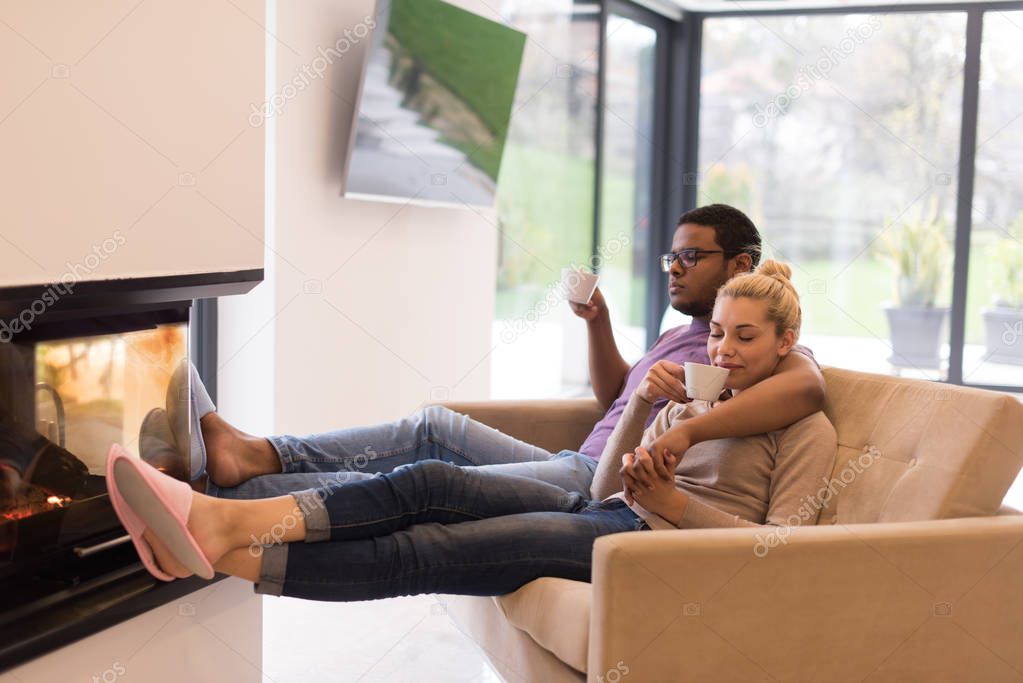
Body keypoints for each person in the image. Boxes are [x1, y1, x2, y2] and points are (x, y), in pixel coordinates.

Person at [107, 260, 838, 601]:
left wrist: (676, 508)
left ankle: (221, 539)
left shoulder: (803, 427)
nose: (723, 351)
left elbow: (783, 551)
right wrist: (646, 410)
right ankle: (218, 524)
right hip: (604, 508)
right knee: (428, 479)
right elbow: (605, 483)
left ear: (786, 340)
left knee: (430, 547)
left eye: (744, 337)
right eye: (716, 334)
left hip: (649, 549)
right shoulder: (699, 397)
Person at [197, 205, 826, 502]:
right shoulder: (684, 334)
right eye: (671, 256)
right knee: (435, 425)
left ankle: (239, 492)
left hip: (593, 478)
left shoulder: (756, 351)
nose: (674, 269)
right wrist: (597, 321)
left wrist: (685, 436)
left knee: (424, 481)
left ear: (739, 264)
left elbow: (807, 388)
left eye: (692, 256)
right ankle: (258, 461)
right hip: (577, 457)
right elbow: (614, 401)